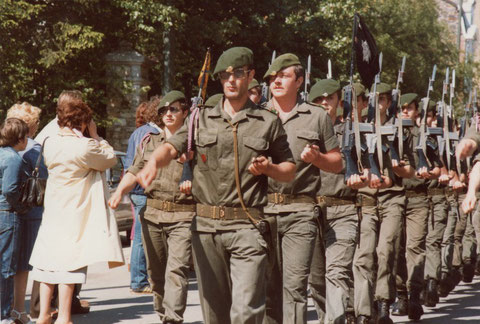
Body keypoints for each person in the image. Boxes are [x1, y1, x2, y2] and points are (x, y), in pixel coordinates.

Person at [136, 47, 296, 323]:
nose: (231, 80)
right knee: (216, 315)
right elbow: (171, 147)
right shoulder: (200, 118)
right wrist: (153, 163)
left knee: (246, 310)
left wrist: (269, 168)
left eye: (238, 74)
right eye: (225, 75)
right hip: (206, 229)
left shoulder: (266, 122)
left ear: (251, 75)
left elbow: (289, 169)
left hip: (247, 226)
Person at [262, 55, 343, 324]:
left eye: (283, 76)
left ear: (299, 81)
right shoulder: (256, 115)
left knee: (295, 288)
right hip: (261, 212)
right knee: (267, 290)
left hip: (300, 211)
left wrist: (317, 159)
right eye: (273, 76)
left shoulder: (317, 116)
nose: (276, 81)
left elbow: (338, 162)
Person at [29, 96, 124, 324]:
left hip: (53, 210)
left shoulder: (50, 142)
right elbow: (109, 159)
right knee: (70, 266)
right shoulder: (85, 146)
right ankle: (63, 316)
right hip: (75, 212)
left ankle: (42, 315)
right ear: (82, 122)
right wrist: (98, 136)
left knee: (47, 263)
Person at [109, 90, 194, 323]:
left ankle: (172, 319)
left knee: (176, 271)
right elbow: (134, 171)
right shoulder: (149, 141)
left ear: (185, 113)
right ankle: (162, 313)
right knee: (156, 275)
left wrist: (192, 179)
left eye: (173, 109)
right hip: (153, 213)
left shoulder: (193, 143)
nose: (168, 113)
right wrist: (119, 192)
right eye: (164, 110)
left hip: (183, 215)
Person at [308, 79, 364, 324]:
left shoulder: (350, 134)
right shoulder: (304, 134)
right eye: (318, 100)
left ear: (338, 102)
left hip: (342, 209)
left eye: (329, 99)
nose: (324, 104)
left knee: (337, 273)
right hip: (310, 212)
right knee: (316, 279)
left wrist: (359, 179)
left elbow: (366, 171)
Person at [4, 103, 46, 324]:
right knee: (21, 264)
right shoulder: (34, 149)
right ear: (30, 126)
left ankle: (8, 307)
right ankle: (18, 308)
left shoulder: (5, 150)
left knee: (7, 262)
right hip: (29, 211)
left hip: (8, 210)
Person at [125, 98, 163, 294]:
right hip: (143, 191)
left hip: (137, 190)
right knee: (141, 236)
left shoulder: (138, 132)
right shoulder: (151, 133)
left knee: (141, 235)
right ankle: (138, 280)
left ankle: (141, 277)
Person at [0, 118, 29, 324]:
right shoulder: (14, 159)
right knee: (7, 266)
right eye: (26, 136)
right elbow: (10, 190)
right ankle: (4, 313)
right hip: (8, 213)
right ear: (20, 138)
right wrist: (21, 207)